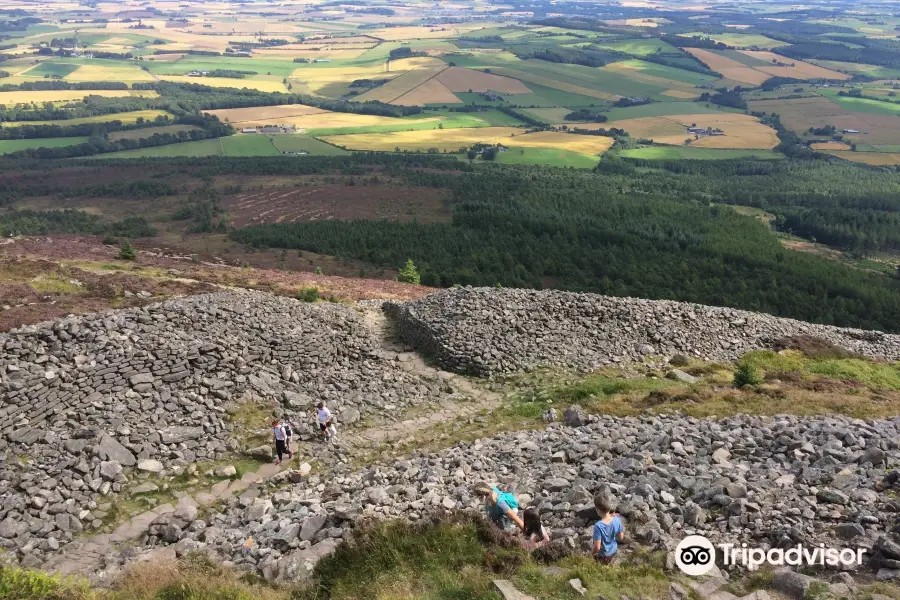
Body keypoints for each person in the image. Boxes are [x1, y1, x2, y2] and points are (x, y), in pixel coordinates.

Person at [592, 493, 625, 564]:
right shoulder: (616, 519)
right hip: (614, 551)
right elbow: (621, 537)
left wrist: (591, 554)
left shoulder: (598, 526)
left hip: (603, 556)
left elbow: (597, 547)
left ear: (597, 509)